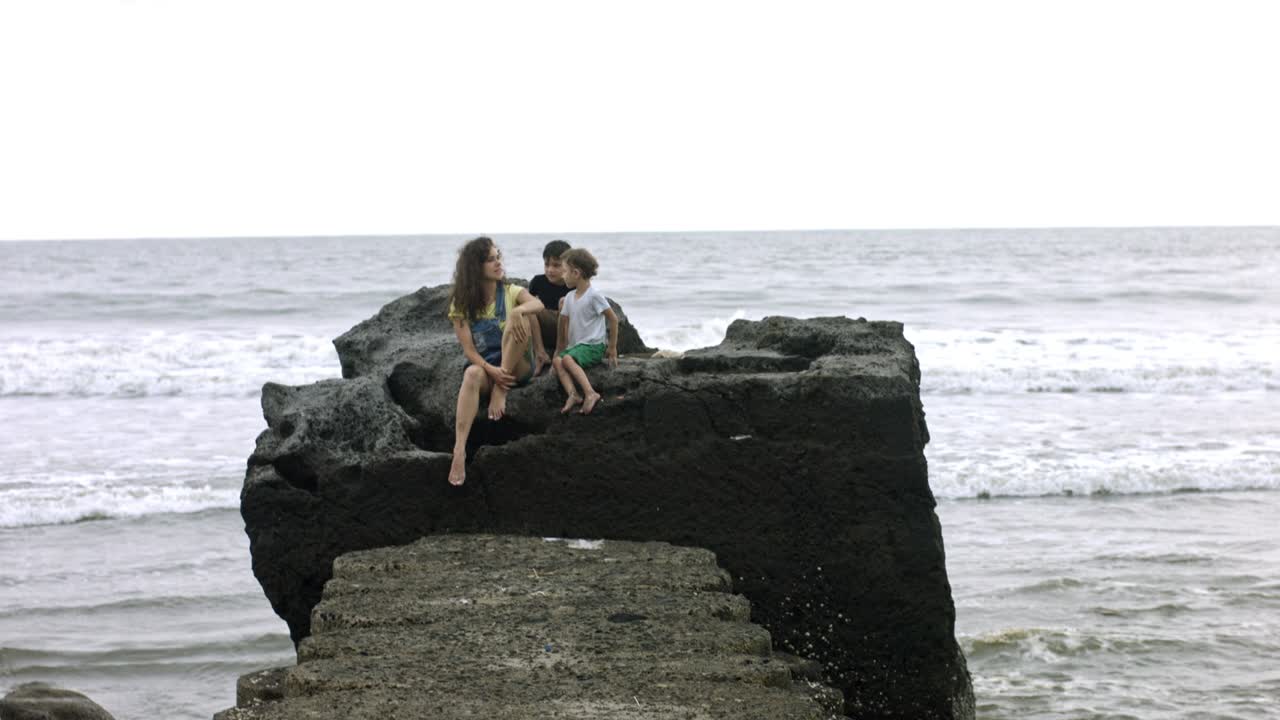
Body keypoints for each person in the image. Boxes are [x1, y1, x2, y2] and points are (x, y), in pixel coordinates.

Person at [447, 237, 544, 486]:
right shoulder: (462, 304)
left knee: (519, 317)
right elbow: (469, 350)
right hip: (488, 367)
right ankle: (459, 451)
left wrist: (517, 311)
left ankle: (501, 390)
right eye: (491, 260)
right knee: (471, 374)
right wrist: (490, 370)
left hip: (518, 366)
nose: (498, 263)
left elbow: (538, 304)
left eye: (498, 257)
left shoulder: (511, 292)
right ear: (475, 267)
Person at [552, 248, 619, 415]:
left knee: (567, 359)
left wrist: (611, 348)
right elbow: (563, 321)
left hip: (593, 346)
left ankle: (590, 393)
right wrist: (559, 348)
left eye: (565, 271)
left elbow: (613, 319)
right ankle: (573, 395)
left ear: (576, 273)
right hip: (577, 347)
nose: (563, 275)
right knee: (558, 361)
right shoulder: (568, 297)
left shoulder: (594, 296)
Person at [527, 239, 572, 376]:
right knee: (527, 306)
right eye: (547, 265)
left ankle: (559, 353)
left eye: (556, 265)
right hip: (543, 329)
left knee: (566, 305)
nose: (550, 270)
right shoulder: (538, 282)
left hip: (568, 331)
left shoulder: (573, 284)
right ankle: (540, 353)